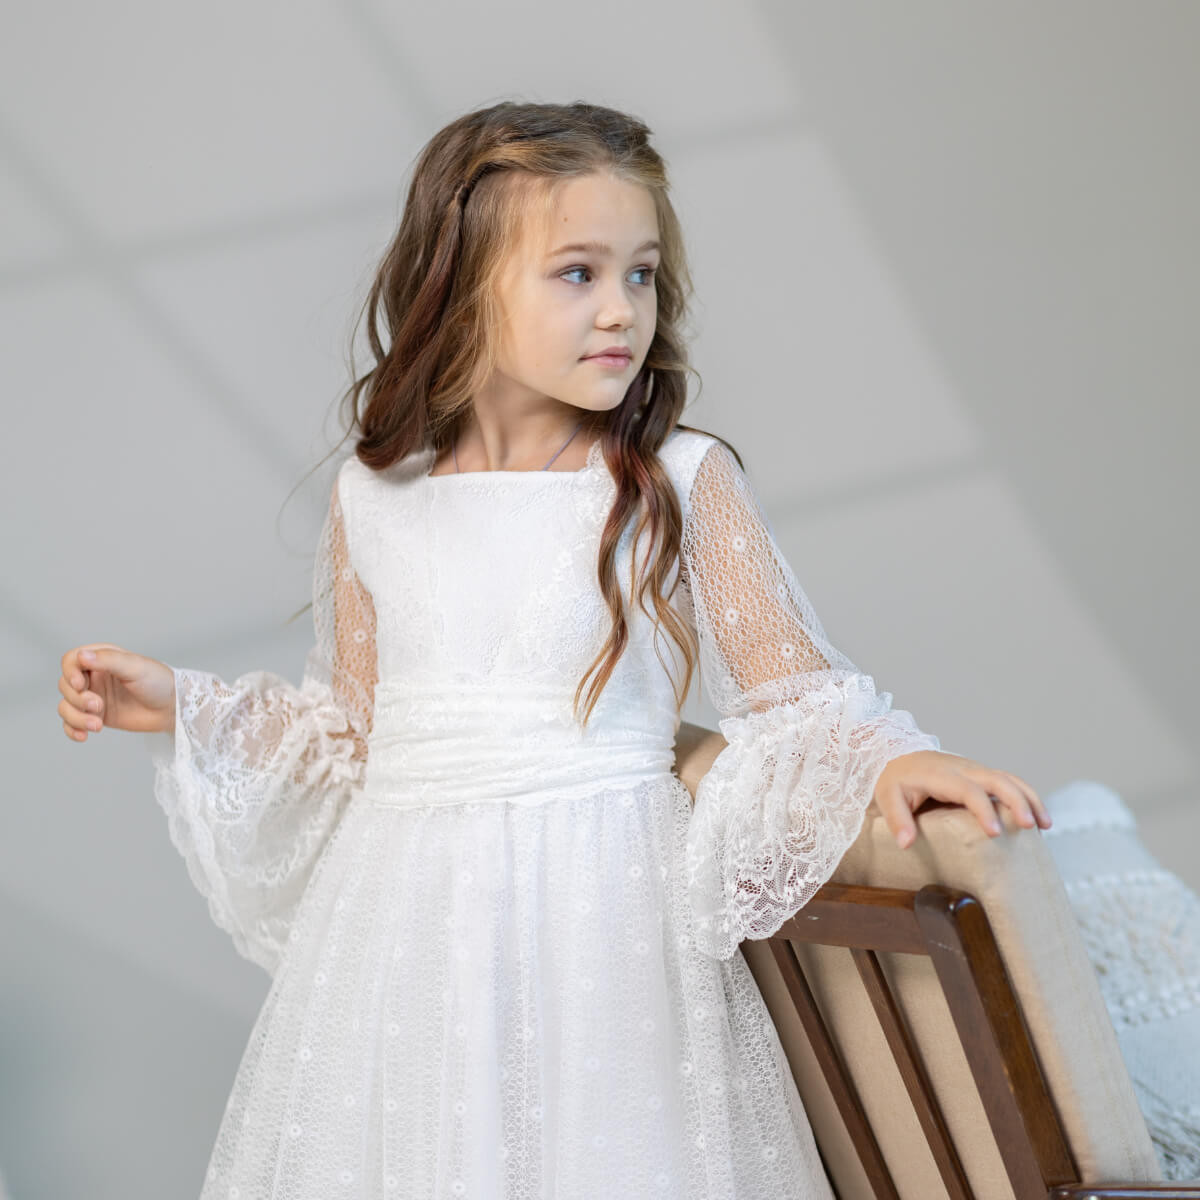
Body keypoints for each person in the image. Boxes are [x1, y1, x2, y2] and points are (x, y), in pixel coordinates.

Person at [55, 100, 1050, 1199]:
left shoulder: (677, 478)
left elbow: (797, 696)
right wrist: (183, 705)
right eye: (578, 273)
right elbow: (354, 737)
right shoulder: (375, 496)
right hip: (407, 936)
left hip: (603, 924)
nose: (623, 308)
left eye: (643, 273)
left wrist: (890, 759)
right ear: (461, 284)